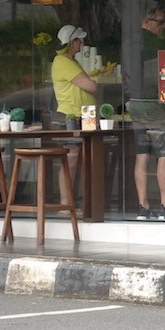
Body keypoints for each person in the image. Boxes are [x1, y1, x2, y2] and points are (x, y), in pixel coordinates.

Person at [133, 9, 165, 221]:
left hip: (135, 105)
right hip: (154, 104)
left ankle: (143, 207)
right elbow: (164, 76)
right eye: (160, 22)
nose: (163, 26)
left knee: (142, 155)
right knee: (164, 155)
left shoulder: (129, 44)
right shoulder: (157, 45)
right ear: (147, 21)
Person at [51, 25, 97, 206]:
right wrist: (94, 80)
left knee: (78, 160)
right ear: (71, 42)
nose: (81, 43)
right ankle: (65, 203)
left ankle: (76, 202)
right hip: (72, 116)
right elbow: (91, 86)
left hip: (81, 115)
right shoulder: (64, 62)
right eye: (79, 40)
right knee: (71, 159)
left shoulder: (70, 61)